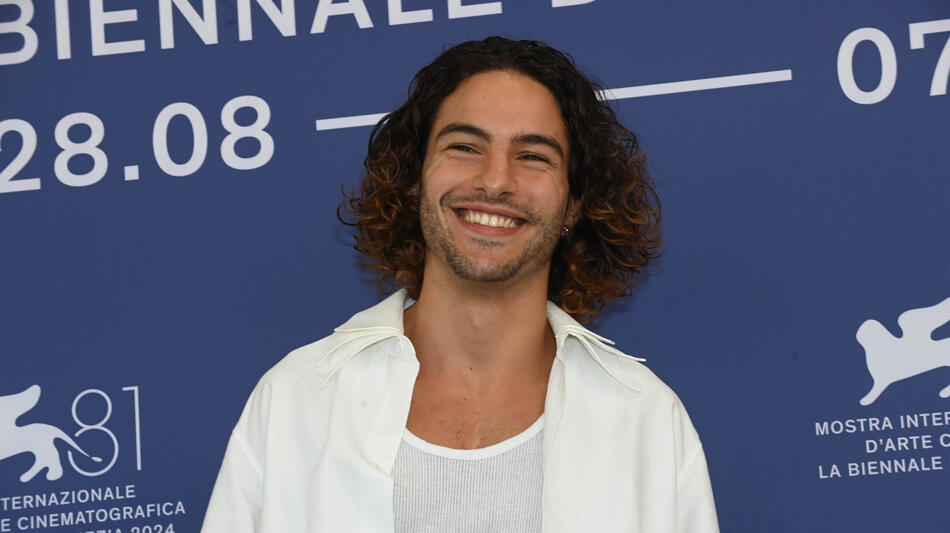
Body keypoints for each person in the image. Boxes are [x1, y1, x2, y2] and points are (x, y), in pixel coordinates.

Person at [202, 36, 719, 533]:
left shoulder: (646, 422)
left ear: (575, 201)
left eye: (533, 155)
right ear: (413, 177)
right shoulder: (296, 401)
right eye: (465, 146)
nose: (495, 180)